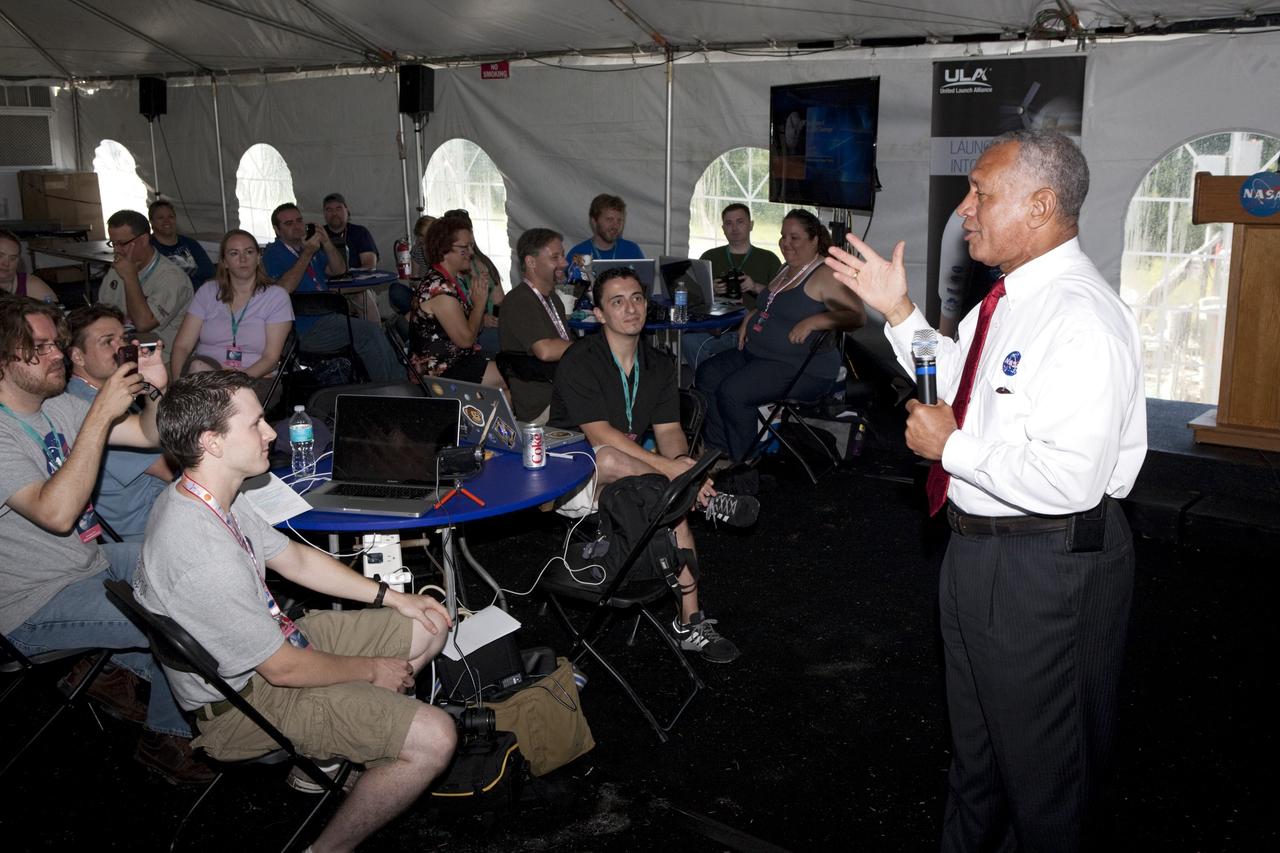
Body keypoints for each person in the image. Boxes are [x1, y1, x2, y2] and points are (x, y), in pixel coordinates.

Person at [826, 129, 1146, 852]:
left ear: (1040, 206)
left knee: (1048, 782)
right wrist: (899, 313)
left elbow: (1072, 478)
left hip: (1047, 568)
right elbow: (958, 375)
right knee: (979, 763)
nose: (964, 209)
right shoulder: (1006, 299)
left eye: (981, 193)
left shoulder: (1082, 318)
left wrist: (951, 448)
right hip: (978, 551)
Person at [136, 370, 456, 851]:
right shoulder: (201, 555)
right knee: (436, 738)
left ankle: (335, 751)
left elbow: (296, 560)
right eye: (255, 424)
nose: (272, 432)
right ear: (212, 442)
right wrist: (372, 671)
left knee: (427, 622)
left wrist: (394, 597)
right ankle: (326, 848)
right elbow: (283, 670)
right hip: (244, 705)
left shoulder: (212, 496)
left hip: (273, 647)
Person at [0, 297, 210, 784]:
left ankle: (126, 673)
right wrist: (98, 416)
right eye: (39, 347)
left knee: (194, 564)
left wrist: (154, 388)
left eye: (56, 343)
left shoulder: (56, 407)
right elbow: (56, 514)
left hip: (87, 563)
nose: (56, 354)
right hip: (30, 603)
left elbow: (147, 434)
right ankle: (165, 739)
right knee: (181, 621)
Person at [550, 268, 760, 664]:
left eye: (637, 298)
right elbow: (599, 436)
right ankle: (699, 495)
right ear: (599, 314)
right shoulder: (580, 359)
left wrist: (679, 462)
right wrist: (675, 471)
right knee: (619, 460)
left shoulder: (659, 364)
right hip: (573, 479)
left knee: (669, 500)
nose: (630, 308)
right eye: (617, 301)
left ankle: (690, 621)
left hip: (637, 478)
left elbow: (669, 431)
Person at [695, 209, 865, 463]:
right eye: (783, 236)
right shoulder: (788, 268)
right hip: (759, 354)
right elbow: (775, 300)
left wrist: (814, 321)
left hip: (802, 368)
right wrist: (753, 314)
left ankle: (745, 463)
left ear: (815, 240)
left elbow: (857, 316)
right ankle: (720, 452)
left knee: (733, 392)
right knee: (707, 375)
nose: (786, 243)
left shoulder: (825, 274)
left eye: (794, 237)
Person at [64, 304, 174, 541]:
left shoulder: (110, 391)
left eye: (123, 339)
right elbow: (167, 470)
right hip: (144, 527)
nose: (121, 348)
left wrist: (156, 388)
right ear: (77, 356)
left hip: (160, 508)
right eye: (107, 341)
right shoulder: (86, 407)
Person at [261, 203, 404, 383]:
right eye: (289, 223)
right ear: (277, 230)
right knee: (370, 333)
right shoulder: (274, 253)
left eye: (299, 220)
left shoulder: (306, 248)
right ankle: (390, 387)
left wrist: (327, 242)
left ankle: (395, 383)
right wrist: (307, 254)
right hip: (303, 328)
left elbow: (338, 270)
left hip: (326, 318)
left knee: (373, 331)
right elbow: (283, 290)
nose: (297, 226)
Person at [169, 229, 293, 405]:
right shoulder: (208, 292)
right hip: (206, 373)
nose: (243, 259)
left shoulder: (276, 297)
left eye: (249, 252)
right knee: (197, 368)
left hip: (254, 379)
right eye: (234, 253)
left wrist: (231, 384)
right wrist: (177, 386)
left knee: (214, 404)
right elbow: (182, 345)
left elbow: (271, 358)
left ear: (258, 257)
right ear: (224, 262)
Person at [408, 215, 507, 391]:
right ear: (443, 250)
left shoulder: (448, 280)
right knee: (515, 380)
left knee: (514, 383)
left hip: (455, 360)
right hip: (439, 372)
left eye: (471, 246)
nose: (471, 252)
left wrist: (477, 304)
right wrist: (479, 304)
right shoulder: (439, 290)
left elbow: (471, 332)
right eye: (464, 248)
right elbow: (466, 340)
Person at [682, 204, 784, 370]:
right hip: (718, 328)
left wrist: (754, 286)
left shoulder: (768, 259)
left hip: (754, 327)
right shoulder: (709, 257)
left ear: (751, 225)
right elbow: (692, 298)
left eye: (740, 222)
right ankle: (706, 380)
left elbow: (782, 299)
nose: (734, 228)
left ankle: (716, 379)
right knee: (689, 341)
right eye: (728, 223)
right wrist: (711, 290)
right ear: (723, 228)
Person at [97, 209, 194, 365]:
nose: (116, 250)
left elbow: (143, 324)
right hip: (122, 351)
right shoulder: (117, 270)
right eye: (113, 243)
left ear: (143, 239)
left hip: (161, 359)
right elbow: (102, 312)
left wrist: (130, 277)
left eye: (122, 244)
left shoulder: (172, 277)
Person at [498, 228, 571, 421]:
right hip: (543, 404)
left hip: (561, 392)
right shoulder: (520, 301)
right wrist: (591, 347)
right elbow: (545, 350)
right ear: (531, 262)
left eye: (562, 256)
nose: (564, 263)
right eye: (555, 257)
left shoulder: (553, 299)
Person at [441, 208, 504, 355]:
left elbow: (500, 301)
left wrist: (498, 316)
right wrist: (482, 317)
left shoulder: (483, 263)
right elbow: (460, 329)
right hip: (471, 333)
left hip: (486, 327)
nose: (469, 249)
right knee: (512, 343)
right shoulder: (447, 276)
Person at [148, 199, 215, 291]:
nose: (166, 221)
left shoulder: (190, 243)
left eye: (170, 217)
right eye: (160, 218)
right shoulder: (148, 247)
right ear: (151, 221)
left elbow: (209, 271)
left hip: (197, 294)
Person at [321, 192, 379, 269]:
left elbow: (369, 265)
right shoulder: (318, 234)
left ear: (346, 211)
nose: (334, 213)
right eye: (329, 210)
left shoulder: (360, 233)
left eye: (338, 209)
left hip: (357, 277)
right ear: (324, 213)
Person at [0, 229, 57, 302]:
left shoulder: (34, 286)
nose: (6, 263)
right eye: (0, 256)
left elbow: (52, 307)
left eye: (12, 258)